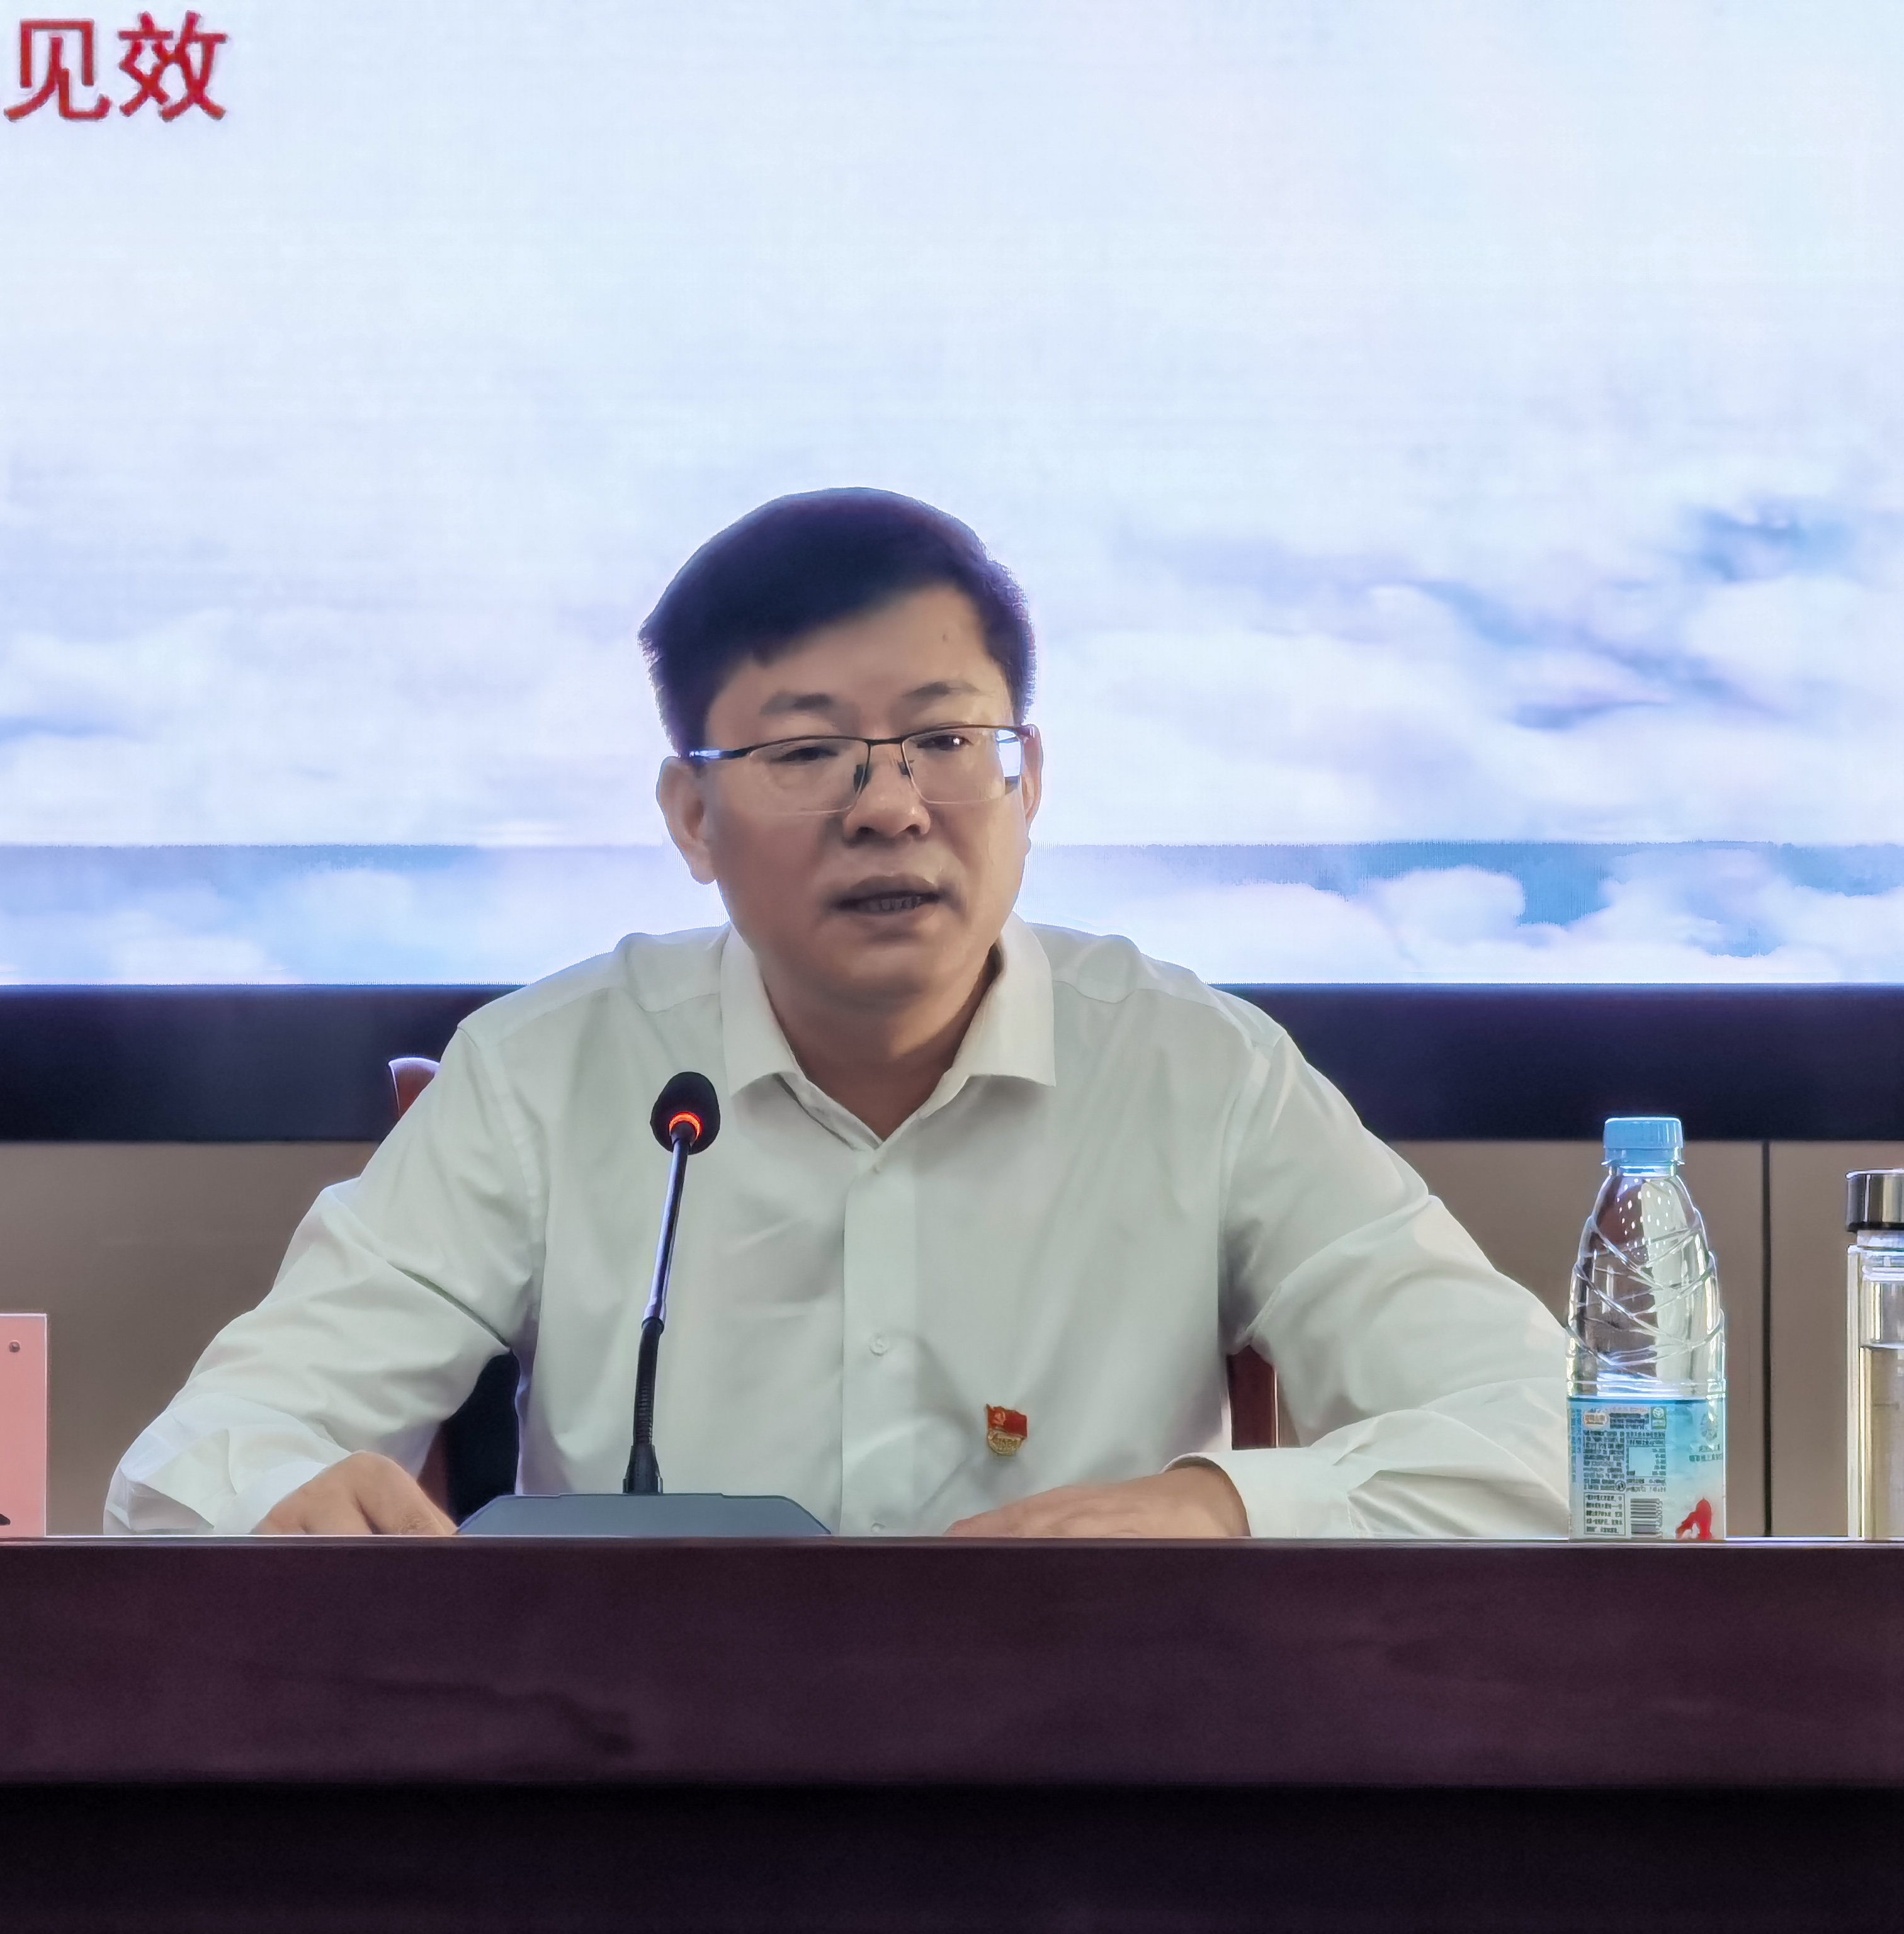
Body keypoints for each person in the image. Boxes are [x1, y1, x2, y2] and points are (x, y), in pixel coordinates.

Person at [106, 489, 1568, 1539]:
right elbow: (195, 1462)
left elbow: (1564, 1444)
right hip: (640, 1793)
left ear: (1027, 780)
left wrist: (1216, 1508)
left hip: (1088, 1790)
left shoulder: (1198, 1073)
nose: (888, 807)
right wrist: (288, 1497)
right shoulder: (546, 1076)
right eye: (807, 752)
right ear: (690, 815)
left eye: (944, 739)